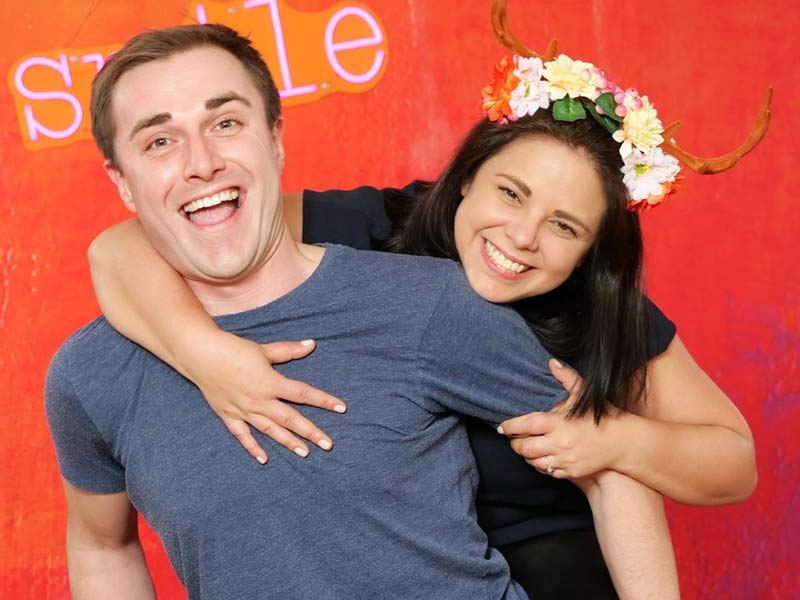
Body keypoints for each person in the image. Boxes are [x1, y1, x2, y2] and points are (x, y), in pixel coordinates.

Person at [85, 14, 764, 600]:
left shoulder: (596, 307)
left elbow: (731, 460)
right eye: (510, 194)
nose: (521, 237)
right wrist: (209, 358)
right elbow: (136, 241)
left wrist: (613, 438)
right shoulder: (373, 232)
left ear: (590, 250)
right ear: (464, 178)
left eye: (565, 226)